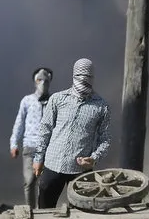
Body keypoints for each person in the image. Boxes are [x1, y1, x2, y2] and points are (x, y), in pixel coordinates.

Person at [32, 58, 111, 209]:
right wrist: (38, 158)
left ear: (92, 78)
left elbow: (105, 139)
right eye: (80, 76)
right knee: (44, 211)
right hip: (53, 164)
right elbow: (45, 130)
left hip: (80, 170)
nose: (83, 81)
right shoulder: (58, 99)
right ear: (74, 76)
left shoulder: (101, 106)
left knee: (81, 213)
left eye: (87, 77)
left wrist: (94, 159)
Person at [9, 67, 53, 209]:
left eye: (46, 80)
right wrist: (14, 144)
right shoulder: (27, 101)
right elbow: (19, 123)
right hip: (30, 146)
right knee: (29, 181)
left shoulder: (54, 101)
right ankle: (30, 210)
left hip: (48, 147)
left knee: (44, 183)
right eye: (39, 80)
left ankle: (43, 211)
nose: (43, 83)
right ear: (34, 81)